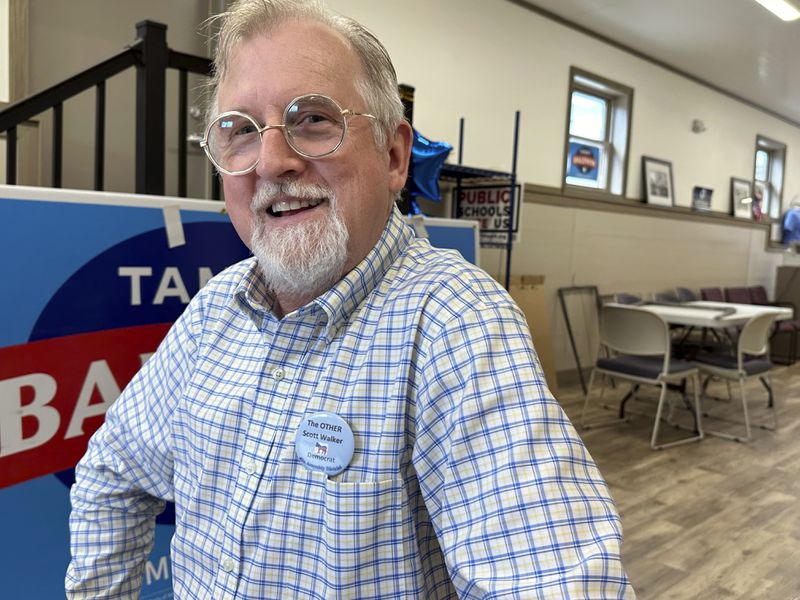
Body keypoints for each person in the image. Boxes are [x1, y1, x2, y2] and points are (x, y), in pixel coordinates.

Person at [66, 0, 634, 597]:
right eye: (240, 131)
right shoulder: (214, 312)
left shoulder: (452, 322)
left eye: (313, 119)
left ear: (393, 157)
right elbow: (114, 474)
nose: (273, 161)